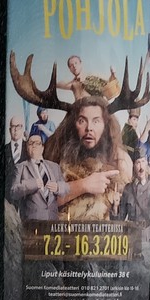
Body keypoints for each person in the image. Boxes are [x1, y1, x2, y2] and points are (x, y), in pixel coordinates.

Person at [44, 94, 134, 222]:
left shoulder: (121, 160)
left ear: (105, 126)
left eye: (96, 121)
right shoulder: (57, 155)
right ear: (73, 125)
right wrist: (84, 185)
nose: (89, 128)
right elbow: (42, 201)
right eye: (82, 120)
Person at [8, 133, 65, 221]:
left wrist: (58, 187)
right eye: (31, 143)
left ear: (42, 148)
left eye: (37, 143)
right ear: (27, 148)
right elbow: (13, 192)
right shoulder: (20, 167)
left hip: (53, 222)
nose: (34, 145)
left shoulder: (54, 166)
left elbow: (66, 189)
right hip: (31, 224)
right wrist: (32, 184)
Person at [118, 155, 150, 225]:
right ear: (134, 166)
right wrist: (115, 207)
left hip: (147, 234)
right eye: (138, 163)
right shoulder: (128, 189)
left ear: (146, 164)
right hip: (132, 233)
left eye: (143, 162)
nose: (141, 167)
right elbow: (120, 218)